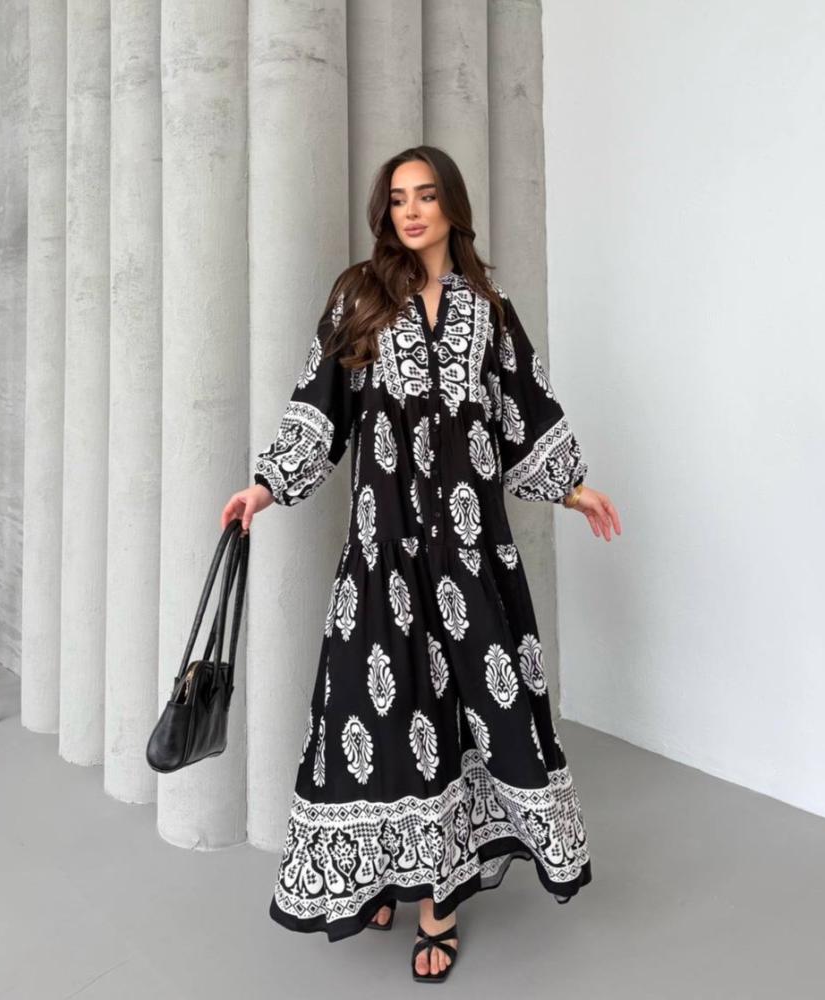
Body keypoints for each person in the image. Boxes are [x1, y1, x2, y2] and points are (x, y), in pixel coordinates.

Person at [221, 145, 621, 983]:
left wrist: (573, 488)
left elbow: (523, 410)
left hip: (471, 556)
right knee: (379, 714)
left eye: (426, 195)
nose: (410, 210)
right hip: (384, 554)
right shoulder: (357, 296)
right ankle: (383, 874)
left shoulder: (489, 310)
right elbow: (319, 408)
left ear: (451, 208)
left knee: (467, 715)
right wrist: (266, 486)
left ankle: (437, 902)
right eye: (398, 197)